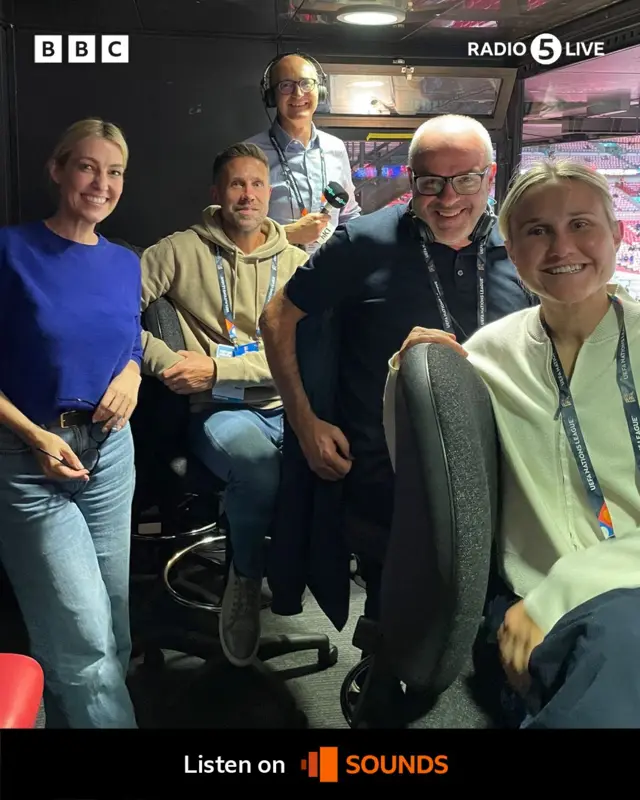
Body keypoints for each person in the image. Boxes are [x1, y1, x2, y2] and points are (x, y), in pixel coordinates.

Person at [386, 159, 640, 727]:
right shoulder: (487, 354)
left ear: (617, 234)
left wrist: (568, 589)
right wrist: (407, 372)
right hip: (537, 604)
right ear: (511, 247)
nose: (561, 246)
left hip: (589, 594)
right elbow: (428, 478)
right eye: (537, 230)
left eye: (581, 224)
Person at [260, 114, 535, 622]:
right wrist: (304, 423)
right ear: (412, 181)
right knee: (401, 626)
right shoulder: (362, 243)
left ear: (490, 178)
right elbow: (276, 317)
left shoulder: (520, 249)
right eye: (431, 182)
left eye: (466, 180)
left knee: (493, 624)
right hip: (388, 484)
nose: (448, 199)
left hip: (500, 476)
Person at [139, 142, 308, 667]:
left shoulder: (299, 262)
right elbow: (112, 315)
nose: (248, 194)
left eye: (257, 184)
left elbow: (310, 351)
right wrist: (165, 360)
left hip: (290, 405)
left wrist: (219, 367)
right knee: (257, 468)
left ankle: (299, 577)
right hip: (220, 411)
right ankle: (244, 581)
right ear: (217, 193)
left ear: (270, 193)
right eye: (237, 183)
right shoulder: (179, 250)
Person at [0, 118, 141, 728]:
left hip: (110, 454)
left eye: (113, 172)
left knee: (112, 624)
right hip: (27, 456)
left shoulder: (124, 262)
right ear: (57, 170)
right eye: (87, 166)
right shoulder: (10, 250)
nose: (100, 183)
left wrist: (132, 374)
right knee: (83, 641)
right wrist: (33, 435)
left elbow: (129, 340)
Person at [247, 52, 361, 252]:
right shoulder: (250, 155)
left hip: (329, 275)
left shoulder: (336, 148)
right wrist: (289, 233)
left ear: (321, 91)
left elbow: (348, 215)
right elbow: (235, 231)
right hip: (275, 277)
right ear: (272, 96)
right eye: (286, 85)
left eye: (306, 83)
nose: (298, 93)